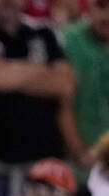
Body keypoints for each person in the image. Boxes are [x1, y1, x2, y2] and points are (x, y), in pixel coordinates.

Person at [0, 0, 85, 184]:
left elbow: (66, 84)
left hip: (45, 166)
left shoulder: (45, 32)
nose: (8, 2)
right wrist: (45, 70)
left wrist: (6, 70)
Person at [62, 0, 109, 163]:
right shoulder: (66, 41)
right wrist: (81, 153)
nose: (107, 17)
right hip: (75, 166)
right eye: (102, 6)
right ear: (88, 5)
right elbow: (62, 105)